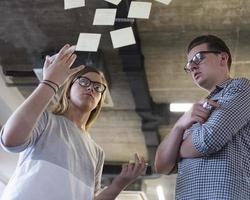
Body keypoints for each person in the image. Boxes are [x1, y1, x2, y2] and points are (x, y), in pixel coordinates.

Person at [0, 44, 146, 200]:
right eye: (84, 82)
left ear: (99, 101)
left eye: (98, 87)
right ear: (68, 90)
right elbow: (11, 140)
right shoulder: (46, 120)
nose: (91, 88)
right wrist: (50, 82)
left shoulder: (97, 152)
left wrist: (119, 183)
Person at [155, 35, 250, 200]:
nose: (192, 66)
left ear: (222, 58)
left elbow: (207, 140)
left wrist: (176, 149)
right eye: (188, 64)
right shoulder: (196, 112)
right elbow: (162, 166)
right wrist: (179, 125)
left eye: (198, 58)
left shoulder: (241, 87)